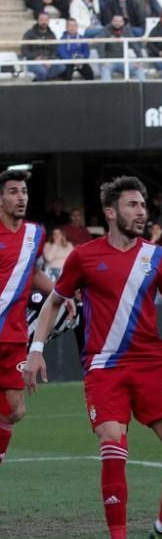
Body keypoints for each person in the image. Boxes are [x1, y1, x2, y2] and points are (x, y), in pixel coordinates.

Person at [25, 176, 162, 539]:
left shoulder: (158, 257)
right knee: (112, 441)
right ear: (111, 212)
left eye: (143, 206)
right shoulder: (84, 256)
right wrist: (36, 349)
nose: (141, 212)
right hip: (104, 367)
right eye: (133, 205)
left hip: (152, 364)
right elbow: (53, 304)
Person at [0, 170, 55, 468]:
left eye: (23, 191)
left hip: (15, 336)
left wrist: (62, 294)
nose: (20, 197)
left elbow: (31, 273)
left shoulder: (36, 233)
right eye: (12, 191)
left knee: (15, 409)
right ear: (0, 199)